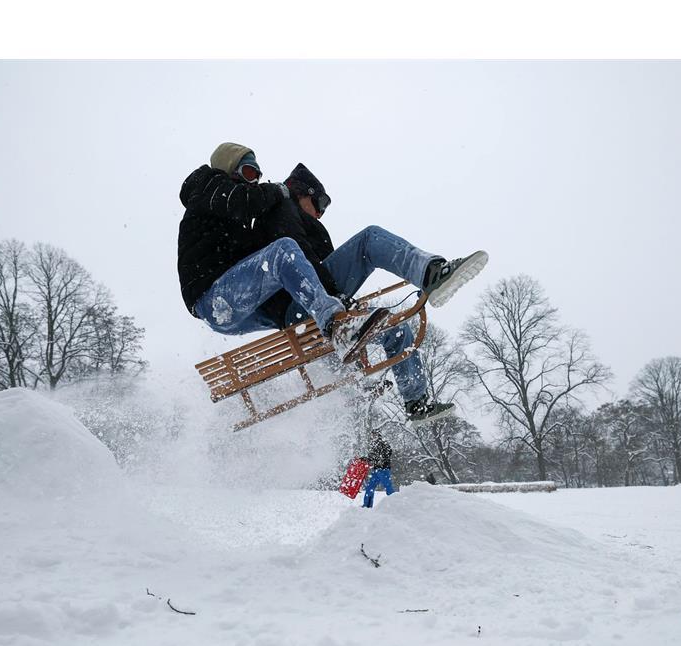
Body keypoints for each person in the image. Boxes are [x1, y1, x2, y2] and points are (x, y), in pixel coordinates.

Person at [177, 142, 488, 424]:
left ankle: (417, 401)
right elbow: (277, 236)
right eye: (247, 172)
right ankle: (423, 277)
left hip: (278, 305)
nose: (321, 214)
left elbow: (300, 266)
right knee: (352, 243)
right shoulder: (218, 190)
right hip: (218, 298)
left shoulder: (251, 218)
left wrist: (346, 307)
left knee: (392, 325)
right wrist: (338, 304)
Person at [362, 431, 394, 508]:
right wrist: (365, 459)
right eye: (372, 435)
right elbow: (371, 458)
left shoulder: (383, 444)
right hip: (376, 471)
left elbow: (389, 453)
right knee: (370, 488)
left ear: (378, 436)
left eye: (374, 435)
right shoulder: (373, 445)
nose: (373, 437)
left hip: (384, 470)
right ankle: (367, 506)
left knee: (388, 488)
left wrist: (381, 459)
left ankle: (394, 505)